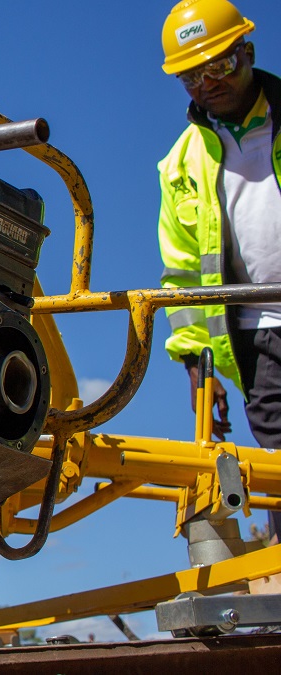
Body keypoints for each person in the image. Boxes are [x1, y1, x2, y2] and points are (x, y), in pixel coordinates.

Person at [157, 0, 281, 540]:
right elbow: (182, 273)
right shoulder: (181, 162)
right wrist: (194, 357)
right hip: (256, 338)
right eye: (191, 75)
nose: (208, 83)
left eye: (220, 66)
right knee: (279, 466)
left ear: (246, 53)